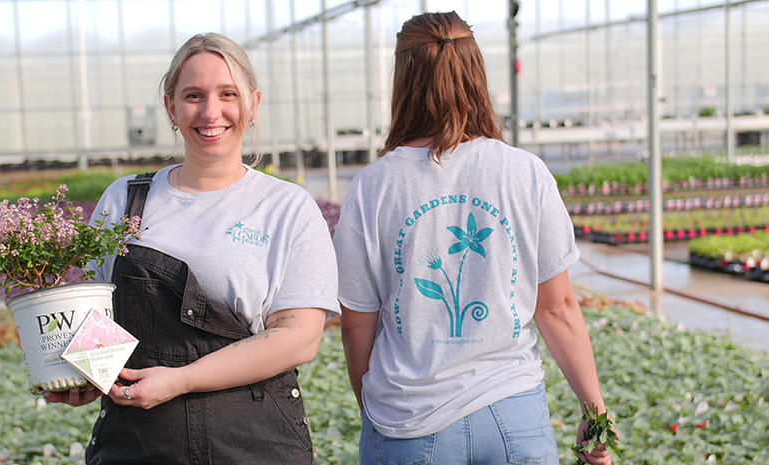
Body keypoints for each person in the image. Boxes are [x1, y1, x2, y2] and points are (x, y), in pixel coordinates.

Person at [332, 12, 613, 465]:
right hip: (513, 414)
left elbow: (355, 323)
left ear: (402, 79)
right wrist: (594, 410)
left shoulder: (374, 185)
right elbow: (557, 307)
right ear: (477, 72)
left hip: (410, 419)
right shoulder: (525, 173)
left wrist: (379, 409)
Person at [45, 33, 339, 465]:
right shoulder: (125, 200)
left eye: (228, 94)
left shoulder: (285, 208)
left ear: (253, 104)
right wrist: (87, 372)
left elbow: (298, 339)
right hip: (138, 444)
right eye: (193, 96)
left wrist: (180, 380)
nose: (210, 111)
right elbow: (95, 316)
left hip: (253, 443)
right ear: (171, 108)